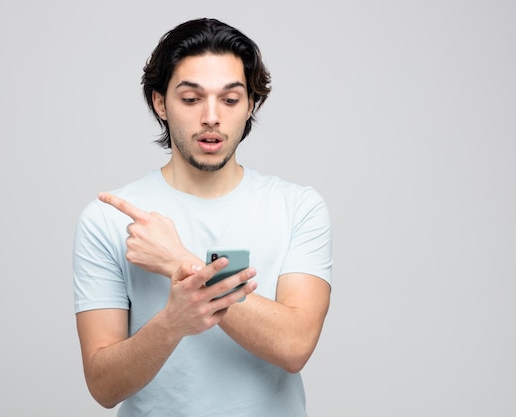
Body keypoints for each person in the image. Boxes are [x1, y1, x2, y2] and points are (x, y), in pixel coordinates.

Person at [72, 17, 332, 416]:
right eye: (191, 99)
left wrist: (179, 262)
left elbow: (295, 346)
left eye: (229, 100)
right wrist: (174, 321)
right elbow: (104, 386)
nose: (211, 117)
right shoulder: (108, 219)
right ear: (160, 102)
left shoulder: (298, 207)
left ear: (250, 105)